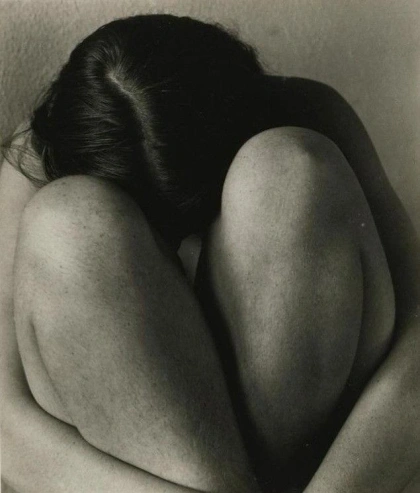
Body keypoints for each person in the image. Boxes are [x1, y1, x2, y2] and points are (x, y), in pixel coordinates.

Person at [1, 13, 420, 493]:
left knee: (288, 167)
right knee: (68, 219)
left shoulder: (303, 111)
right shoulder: (44, 147)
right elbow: (4, 419)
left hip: (305, 461)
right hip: (145, 469)